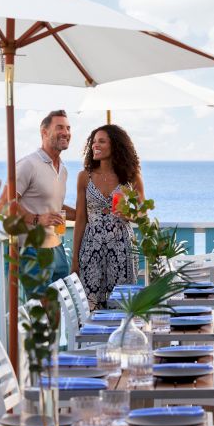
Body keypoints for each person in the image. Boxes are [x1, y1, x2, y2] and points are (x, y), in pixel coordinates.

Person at [0, 109, 76, 284]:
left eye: (68, 128)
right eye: (60, 127)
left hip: (57, 247)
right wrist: (36, 219)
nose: (66, 132)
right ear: (44, 132)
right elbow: (3, 203)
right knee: (42, 301)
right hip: (32, 250)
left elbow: (55, 208)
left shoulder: (63, 169)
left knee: (62, 301)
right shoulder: (28, 164)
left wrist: (84, 214)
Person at [72, 124, 142, 309]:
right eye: (94, 141)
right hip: (91, 248)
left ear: (115, 145)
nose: (95, 145)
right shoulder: (84, 177)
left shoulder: (131, 176)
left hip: (122, 248)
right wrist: (75, 259)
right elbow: (81, 219)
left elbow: (143, 213)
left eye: (101, 141)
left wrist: (129, 214)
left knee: (122, 304)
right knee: (90, 304)